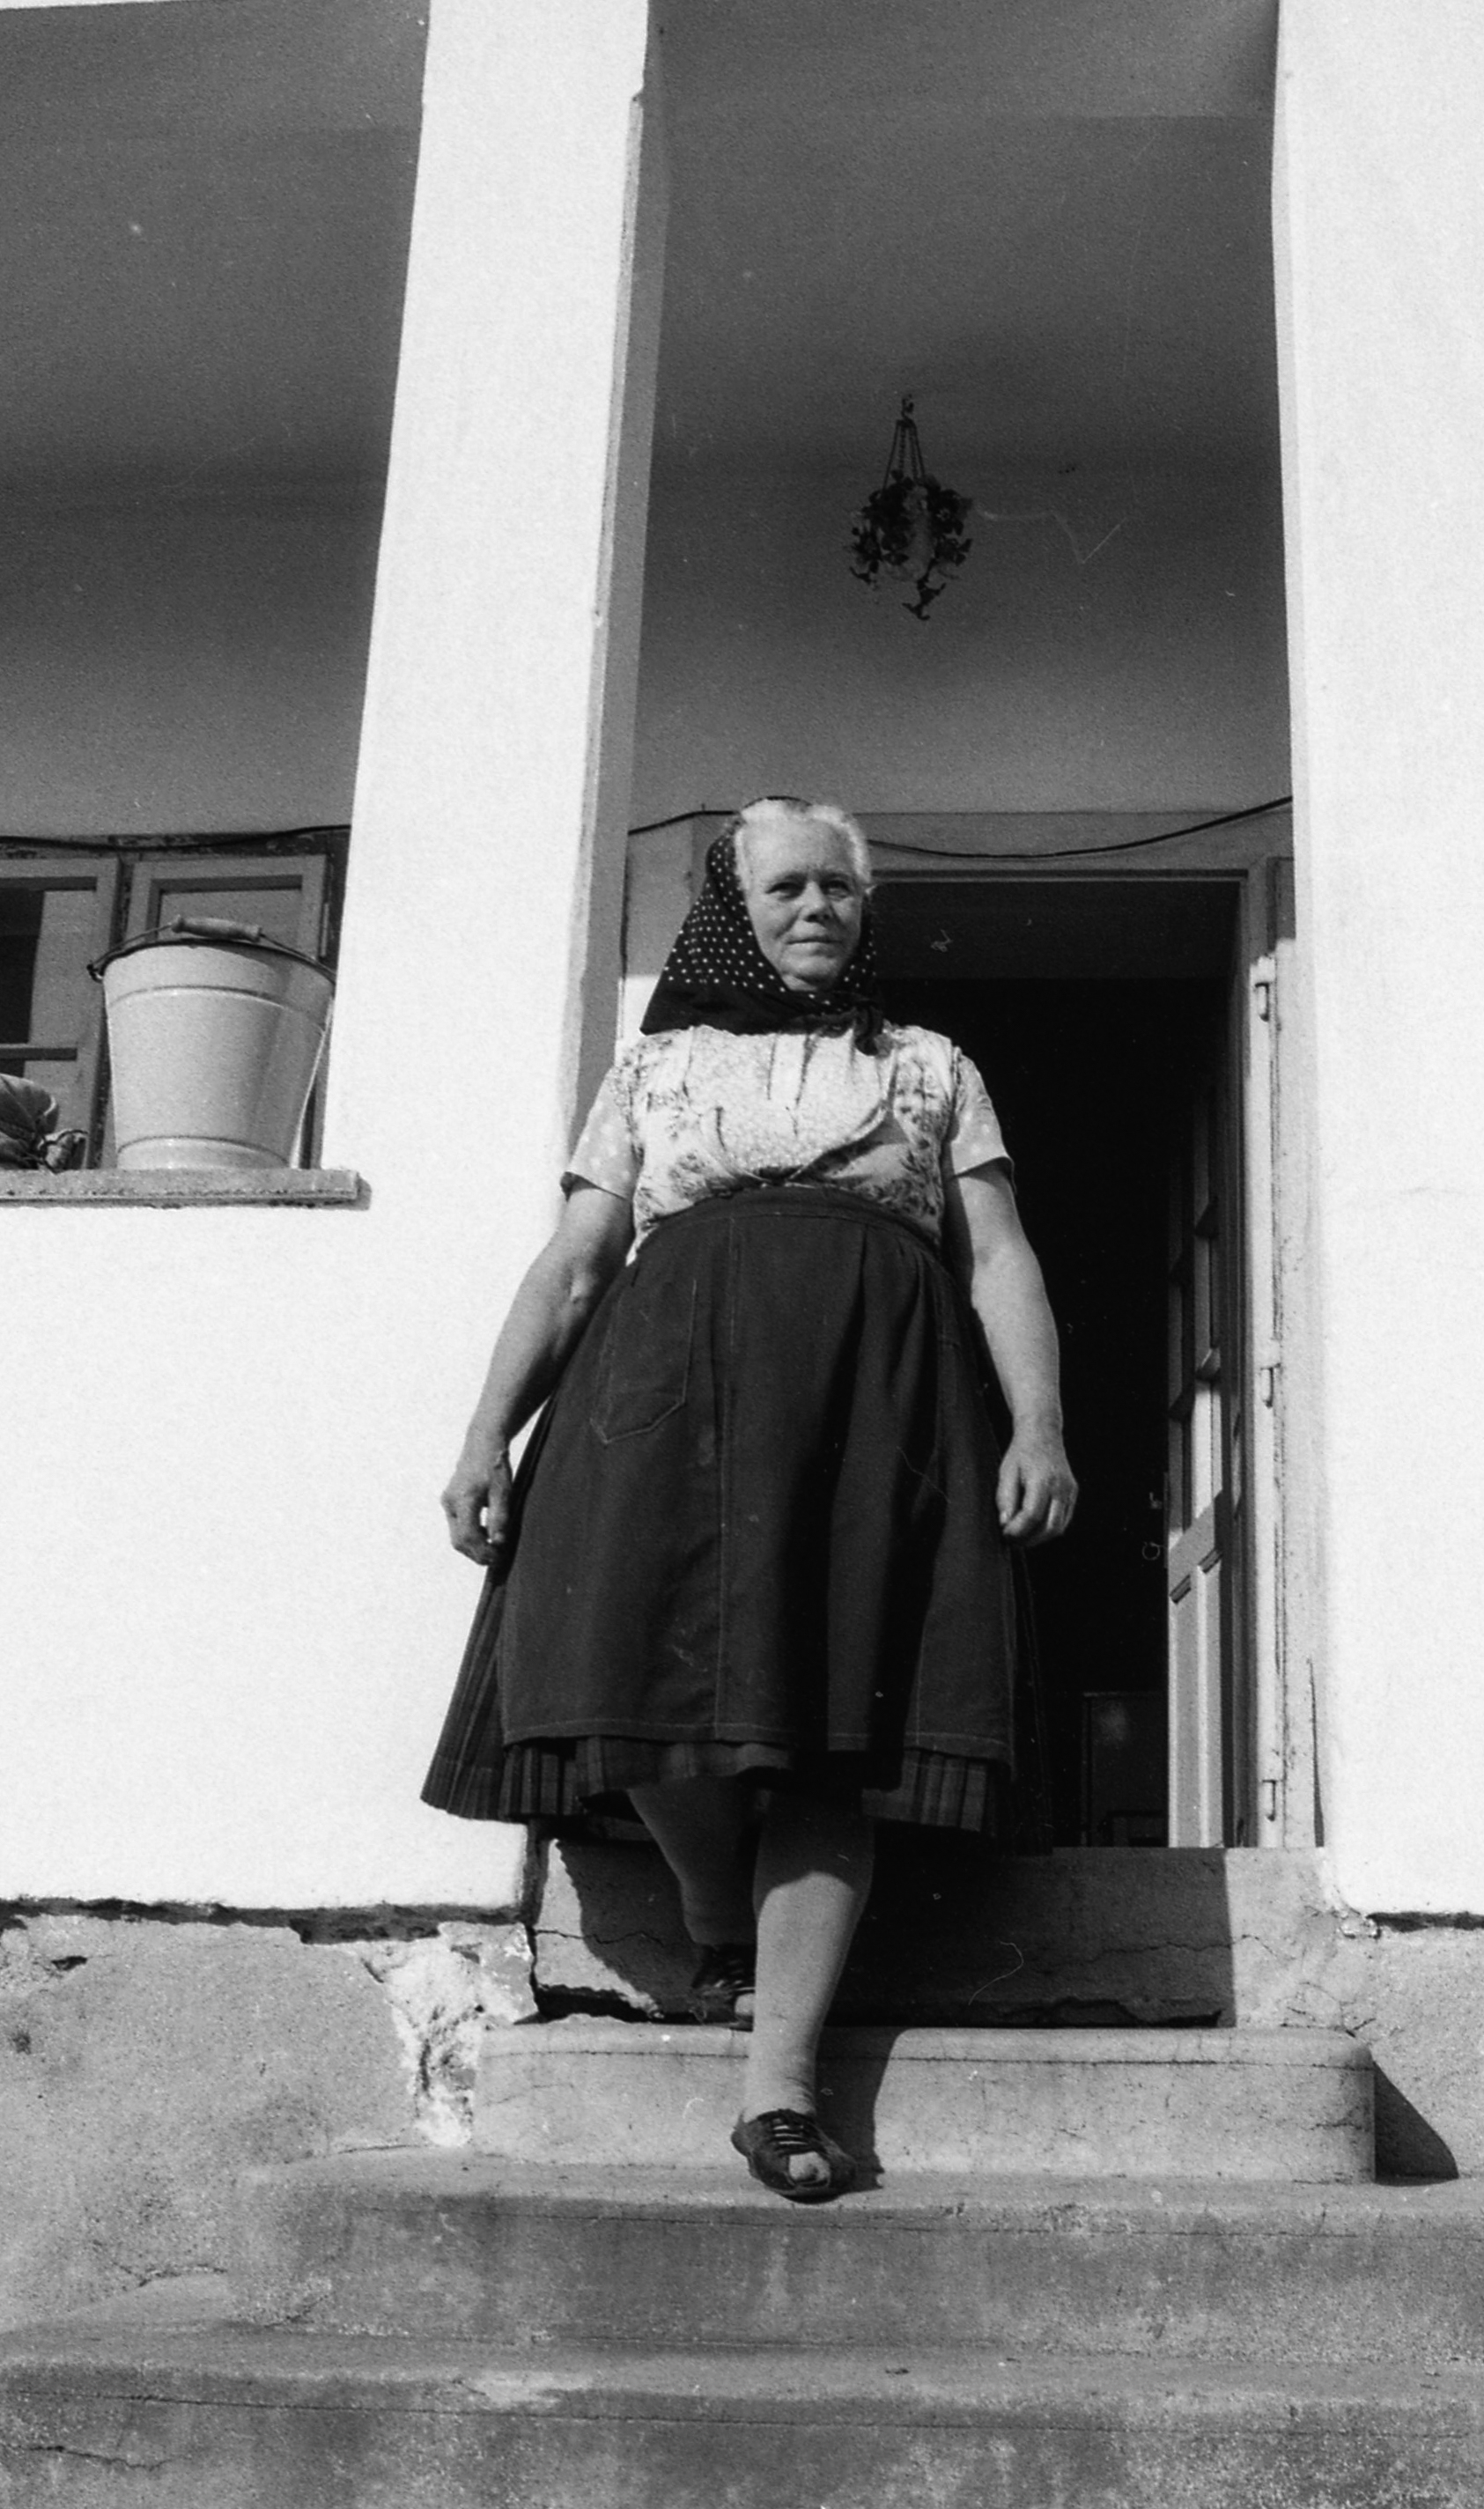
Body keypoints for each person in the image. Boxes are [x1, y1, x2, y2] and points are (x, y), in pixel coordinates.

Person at [423, 796, 1075, 2201]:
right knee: (628, 1685)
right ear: (735, 906)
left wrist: (1040, 1426)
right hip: (665, 1407)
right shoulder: (655, 1069)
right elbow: (576, 1264)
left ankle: (778, 2092)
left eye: (839, 886)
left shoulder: (929, 1068)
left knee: (838, 1740)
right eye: (787, 887)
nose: (817, 907)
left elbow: (998, 1256)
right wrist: (485, 1433)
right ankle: (718, 1911)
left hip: (874, 1412)